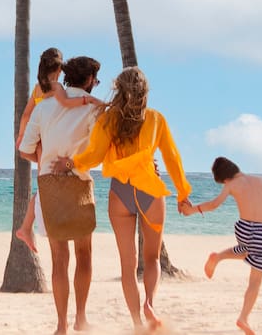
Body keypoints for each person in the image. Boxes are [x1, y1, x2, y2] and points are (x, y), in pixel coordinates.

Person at [54, 67, 189, 333]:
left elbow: (93, 155)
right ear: (145, 92)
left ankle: (137, 323)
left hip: (120, 193)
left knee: (128, 267)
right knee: (151, 259)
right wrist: (183, 193)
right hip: (149, 189)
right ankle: (149, 303)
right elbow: (173, 158)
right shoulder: (156, 118)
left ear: (119, 88)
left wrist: (70, 162)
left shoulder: (109, 120)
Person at [17, 55, 105, 335]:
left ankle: (61, 326)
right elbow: (98, 155)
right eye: (96, 79)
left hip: (49, 185)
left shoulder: (44, 108)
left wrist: (46, 162)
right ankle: (80, 318)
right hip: (79, 184)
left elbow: (24, 150)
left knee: (59, 260)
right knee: (84, 255)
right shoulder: (94, 109)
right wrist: (72, 162)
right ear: (90, 80)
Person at [186, 156, 262, 335]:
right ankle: (243, 318)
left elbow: (214, 204)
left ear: (225, 178)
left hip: (243, 228)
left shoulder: (231, 185)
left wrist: (192, 210)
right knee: (255, 281)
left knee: (246, 250)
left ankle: (219, 257)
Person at [14, 47, 102, 252]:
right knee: (83, 255)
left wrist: (21, 136)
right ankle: (26, 228)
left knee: (43, 185)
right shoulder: (58, 89)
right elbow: (66, 103)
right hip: (65, 163)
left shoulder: (39, 89)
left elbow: (27, 115)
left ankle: (26, 227)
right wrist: (88, 100)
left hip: (41, 140)